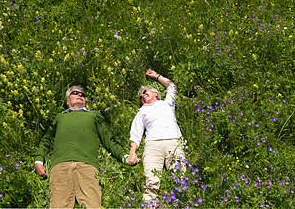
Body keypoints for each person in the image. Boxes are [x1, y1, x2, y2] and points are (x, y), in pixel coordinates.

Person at [35, 85, 140, 209]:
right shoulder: (60, 118)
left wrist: (125, 157)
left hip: (87, 167)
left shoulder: (94, 116)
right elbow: (45, 141)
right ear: (68, 100)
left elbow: (109, 140)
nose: (80, 95)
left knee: (92, 205)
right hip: (60, 167)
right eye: (75, 93)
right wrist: (38, 161)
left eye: (83, 95)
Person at [128, 69, 186, 202]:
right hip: (153, 146)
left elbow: (171, 86)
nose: (142, 96)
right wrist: (132, 152)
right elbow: (135, 134)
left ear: (155, 93)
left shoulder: (167, 104)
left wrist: (156, 76)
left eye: (144, 92)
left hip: (174, 141)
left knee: (180, 178)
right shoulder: (141, 112)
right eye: (140, 97)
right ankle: (149, 205)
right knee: (151, 182)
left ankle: (181, 203)